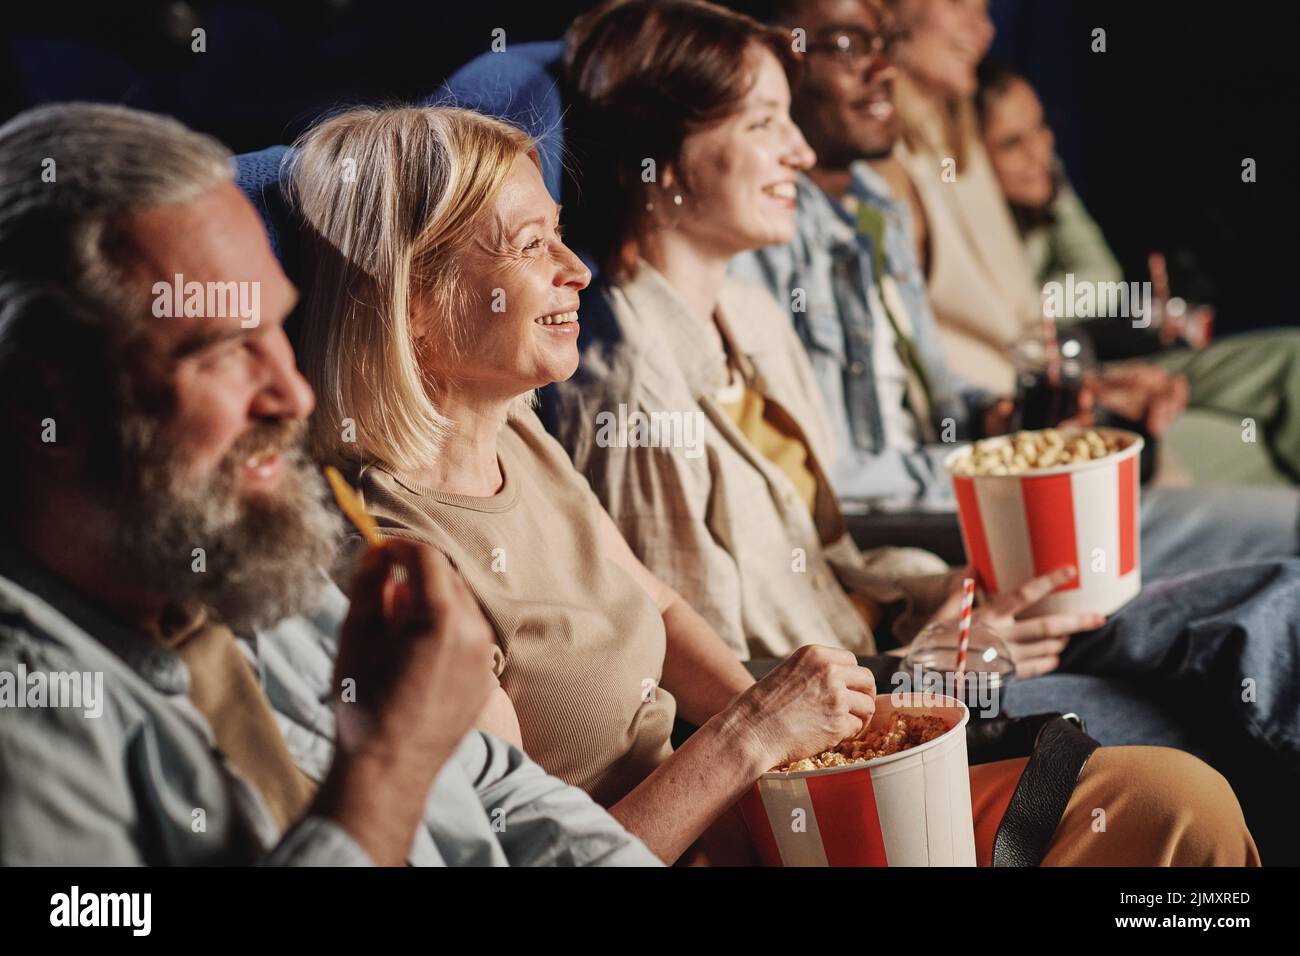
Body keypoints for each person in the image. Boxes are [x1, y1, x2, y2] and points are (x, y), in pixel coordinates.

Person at [546, 0, 1263, 865]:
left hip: (911, 649)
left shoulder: (751, 316)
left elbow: (833, 559)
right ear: (660, 158)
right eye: (766, 124)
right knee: (1204, 706)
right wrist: (914, 666)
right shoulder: (628, 382)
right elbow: (715, 691)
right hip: (864, 723)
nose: (801, 153)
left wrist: (949, 599)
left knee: (1264, 609)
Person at [0, 102, 660, 867]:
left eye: (275, 333)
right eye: (222, 351)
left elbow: (501, 792)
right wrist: (384, 767)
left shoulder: (258, 578)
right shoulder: (30, 725)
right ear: (44, 401)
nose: (293, 398)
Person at [731, 0, 1300, 579]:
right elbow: (820, 473)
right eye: (851, 45)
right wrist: (988, 460)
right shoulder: (764, 230)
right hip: (937, 516)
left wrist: (996, 421)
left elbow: (924, 385)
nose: (885, 68)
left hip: (978, 477)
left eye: (884, 43)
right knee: (1282, 542)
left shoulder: (874, 210)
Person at [976, 60, 1300, 487]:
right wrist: (1041, 315)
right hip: (1071, 387)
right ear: (973, 159)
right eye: (1012, 144)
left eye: (1041, 128)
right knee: (1249, 442)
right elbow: (1032, 317)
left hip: (1107, 366)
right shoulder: (972, 234)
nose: (1040, 151)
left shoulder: (1043, 185)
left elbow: (1101, 275)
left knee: (1293, 356)